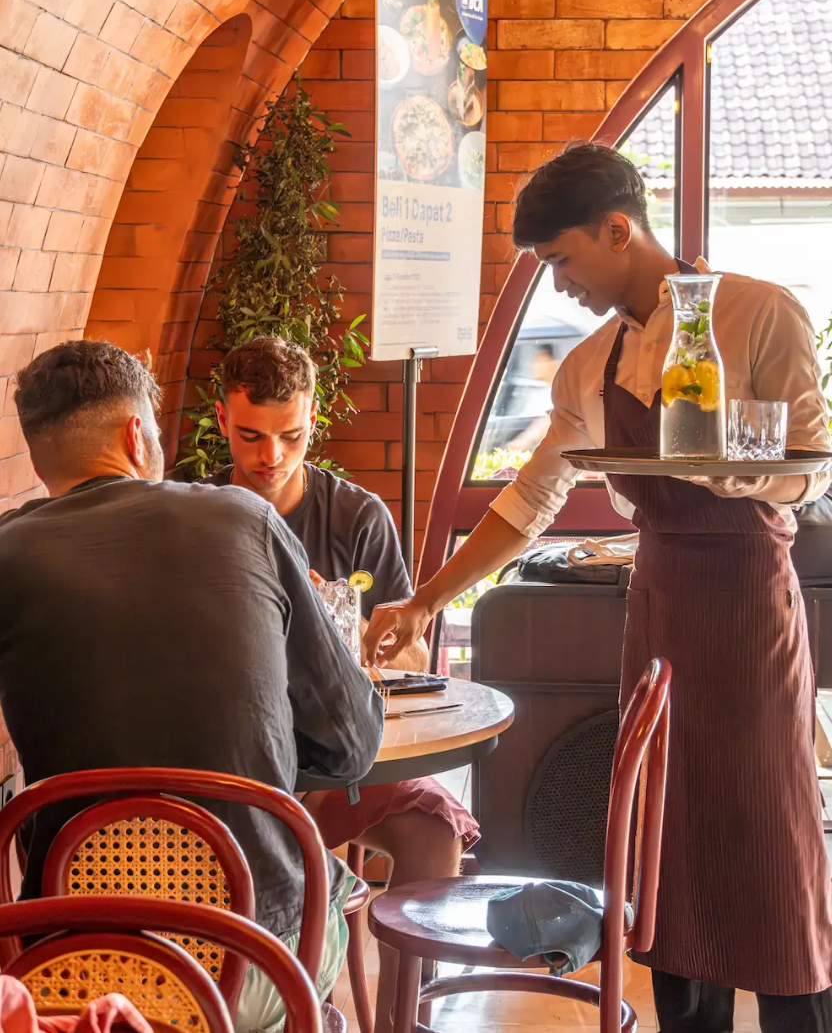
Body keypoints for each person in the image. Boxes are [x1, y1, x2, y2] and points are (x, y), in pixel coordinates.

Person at [366, 142, 832, 1032]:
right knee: (668, 848)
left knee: (771, 842)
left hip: (750, 608)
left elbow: (813, 466)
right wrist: (426, 599)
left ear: (619, 229)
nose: (560, 283)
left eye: (563, 259)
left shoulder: (761, 311)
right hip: (659, 613)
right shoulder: (588, 366)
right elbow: (528, 501)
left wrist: (732, 473)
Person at [0, 340, 385, 1033]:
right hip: (252, 963)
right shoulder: (244, 518)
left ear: (37, 457)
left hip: (71, 964)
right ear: (136, 435)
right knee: (329, 897)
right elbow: (352, 744)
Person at [205, 336, 479, 1033]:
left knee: (433, 829)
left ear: (314, 419)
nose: (271, 456)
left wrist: (355, 629)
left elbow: (412, 651)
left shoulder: (356, 517)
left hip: (335, 761)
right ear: (222, 417)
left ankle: (400, 1022)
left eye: (292, 436)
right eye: (251, 435)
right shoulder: (196, 515)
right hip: (231, 769)